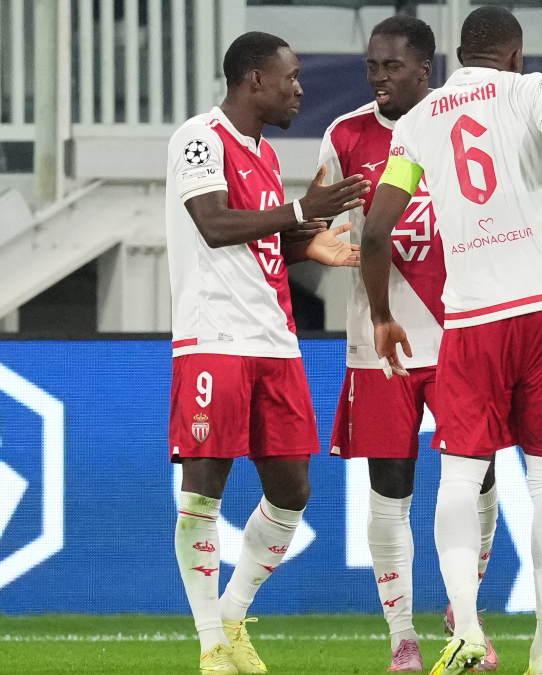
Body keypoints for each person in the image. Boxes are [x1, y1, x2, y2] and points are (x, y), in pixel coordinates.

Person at [360, 6, 542, 675]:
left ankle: (466, 630)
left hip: (473, 317)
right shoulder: (529, 89)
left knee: (459, 476)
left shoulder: (418, 119)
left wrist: (383, 316)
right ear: (515, 54)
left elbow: (374, 232)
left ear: (457, 54)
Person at [167, 31, 368, 675]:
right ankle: (210, 645)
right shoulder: (201, 138)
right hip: (215, 340)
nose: (299, 90)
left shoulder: (264, 155)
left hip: (276, 342)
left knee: (292, 490)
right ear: (255, 79)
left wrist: (307, 243)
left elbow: (257, 240)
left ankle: (232, 614)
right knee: (203, 492)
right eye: (291, 77)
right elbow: (213, 224)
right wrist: (299, 208)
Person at [318, 16, 499, 673]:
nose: (379, 78)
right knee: (389, 489)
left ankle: (465, 613)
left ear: (426, 69)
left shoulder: (466, 123)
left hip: (462, 336)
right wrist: (327, 243)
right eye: (372, 66)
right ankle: (403, 637)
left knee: (480, 481)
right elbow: (312, 224)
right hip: (380, 345)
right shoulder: (346, 135)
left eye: (392, 67)